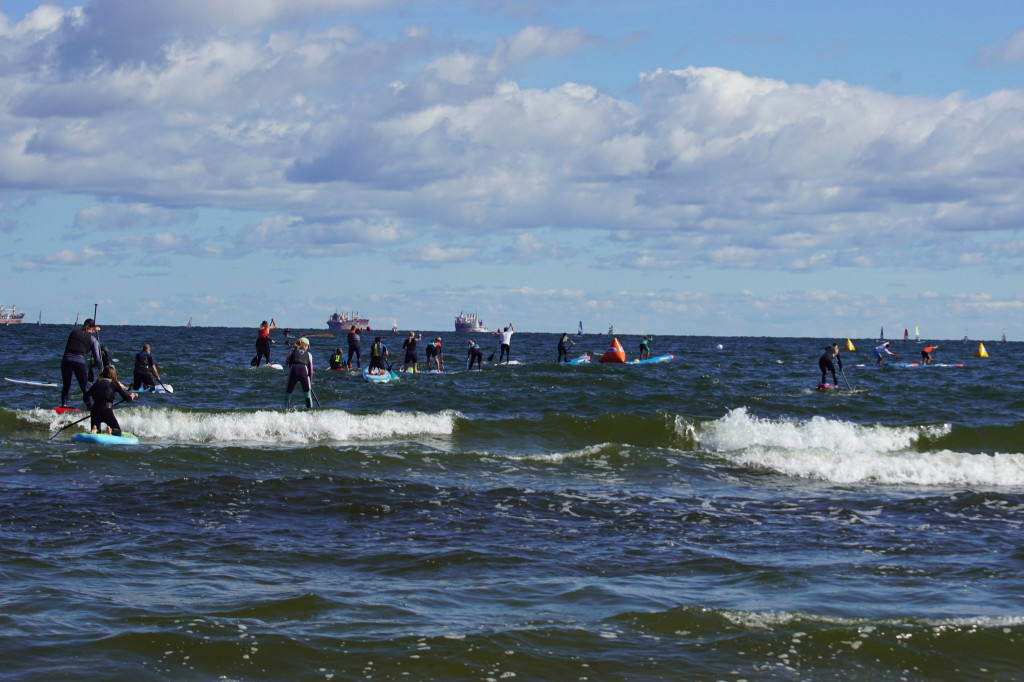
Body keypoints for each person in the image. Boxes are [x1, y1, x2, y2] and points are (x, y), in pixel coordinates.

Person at [60, 318, 103, 409]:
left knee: (66, 385)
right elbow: (97, 358)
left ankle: (63, 405)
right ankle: (89, 407)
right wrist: (101, 369)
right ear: (93, 328)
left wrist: (92, 330)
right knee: (84, 388)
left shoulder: (73, 332)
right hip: (78, 362)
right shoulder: (93, 340)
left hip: (66, 360)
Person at [84, 364, 135, 435]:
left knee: (96, 431)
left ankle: (95, 429)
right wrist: (132, 395)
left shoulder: (97, 383)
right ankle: (110, 430)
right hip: (107, 410)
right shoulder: (114, 384)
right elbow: (127, 399)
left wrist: (89, 407)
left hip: (95, 411)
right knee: (118, 432)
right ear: (113, 374)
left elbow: (85, 396)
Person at [284, 338, 314, 408]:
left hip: (293, 372)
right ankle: (310, 412)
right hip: (304, 374)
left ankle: (286, 412)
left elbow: (286, 363)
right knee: (308, 395)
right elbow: (311, 370)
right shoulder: (309, 354)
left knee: (288, 394)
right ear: (305, 346)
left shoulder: (292, 352)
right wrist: (309, 379)